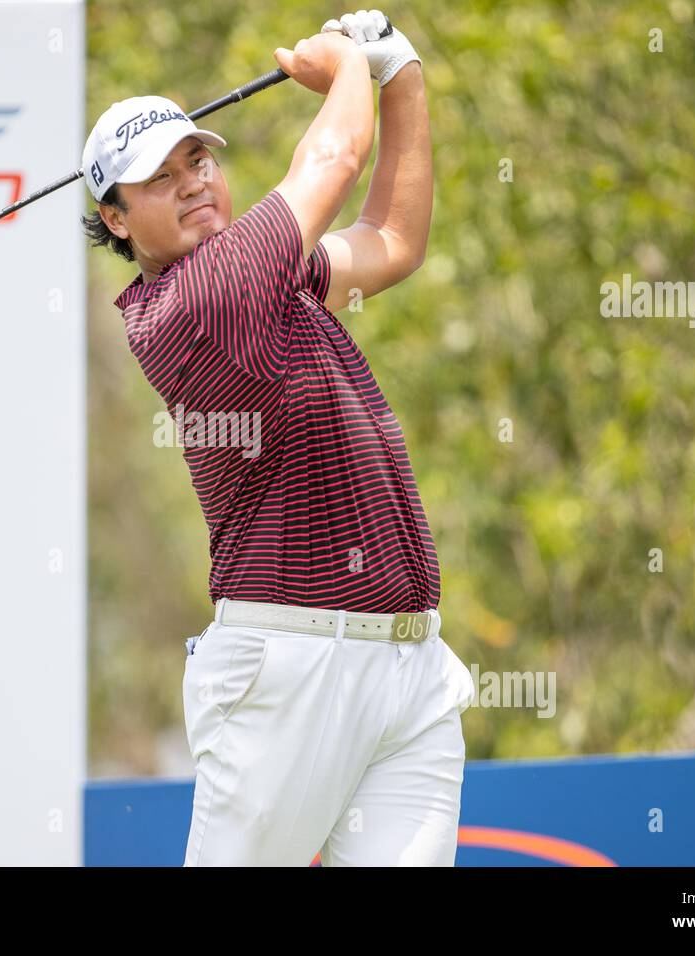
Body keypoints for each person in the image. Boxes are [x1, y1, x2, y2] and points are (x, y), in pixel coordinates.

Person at [81, 10, 476, 866]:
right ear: (115, 220)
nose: (193, 183)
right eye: (158, 178)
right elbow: (333, 158)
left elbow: (395, 242)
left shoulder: (272, 277)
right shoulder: (193, 304)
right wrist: (342, 69)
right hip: (289, 667)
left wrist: (400, 75)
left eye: (199, 159)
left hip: (407, 666)